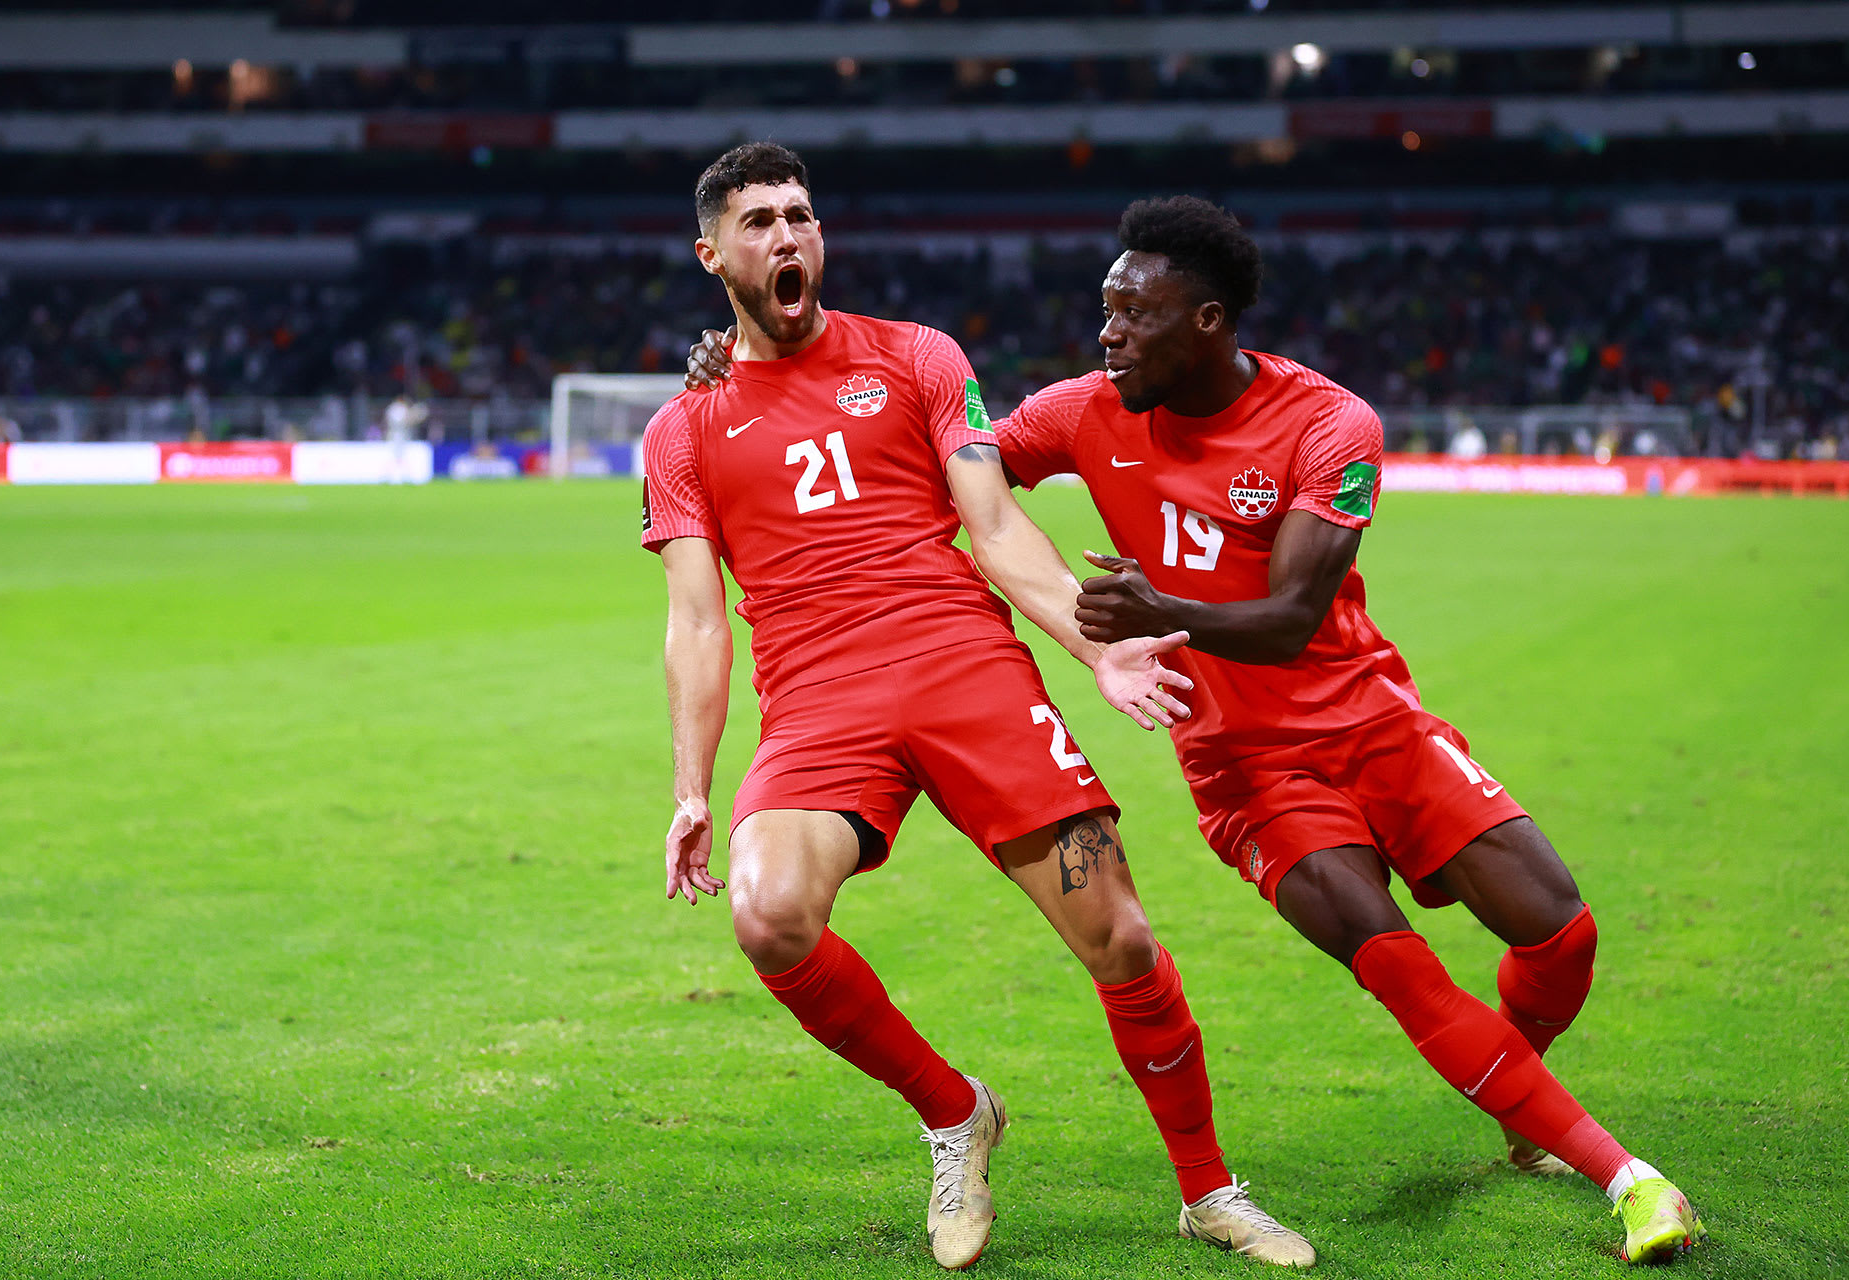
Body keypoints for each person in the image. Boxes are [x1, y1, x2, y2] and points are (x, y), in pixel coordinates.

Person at [685, 196, 1705, 1266]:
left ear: (1207, 321)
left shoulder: (1330, 423)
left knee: (1562, 931)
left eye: (1133, 315)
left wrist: (1154, 613)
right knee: (1404, 970)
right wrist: (759, 374)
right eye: (1106, 310)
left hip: (1374, 719)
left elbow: (1292, 618)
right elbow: (950, 480)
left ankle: (1515, 1091)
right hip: (1248, 770)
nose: (1107, 334)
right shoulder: (1083, 411)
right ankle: (1624, 1173)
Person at [647, 145, 1315, 1271]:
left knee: (1121, 935)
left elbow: (998, 529)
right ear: (713, 253)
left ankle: (1209, 1190)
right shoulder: (683, 429)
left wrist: (1094, 650)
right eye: (758, 222)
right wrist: (687, 788)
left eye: (801, 215)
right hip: (816, 698)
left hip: (963, 664)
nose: (787, 237)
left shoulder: (918, 358)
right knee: (766, 914)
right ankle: (956, 1110)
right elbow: (699, 622)